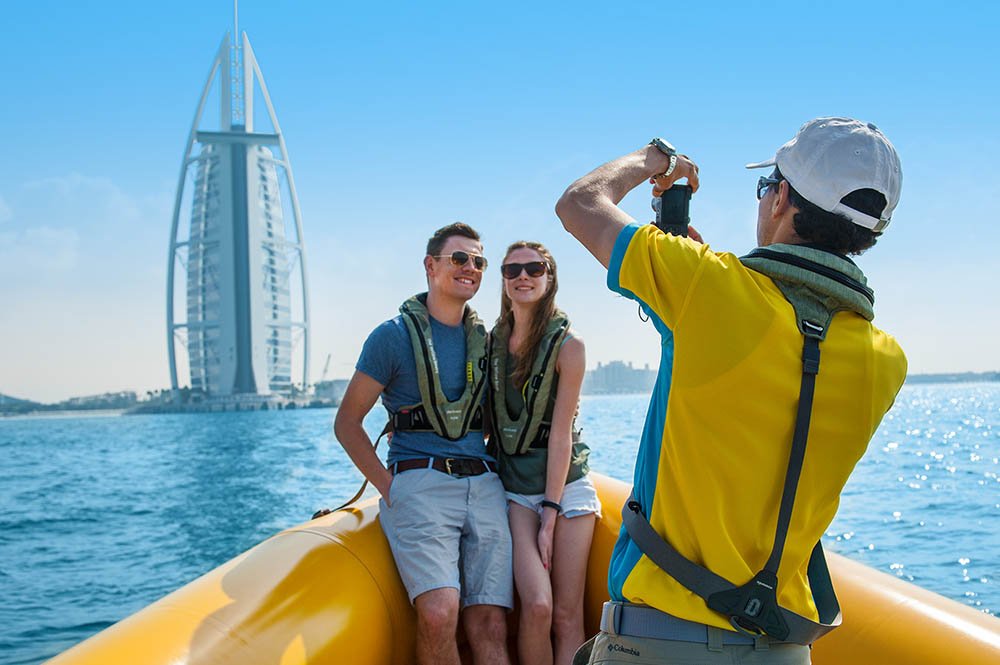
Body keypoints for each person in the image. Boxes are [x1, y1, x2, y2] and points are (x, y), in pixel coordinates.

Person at [555, 118, 907, 664]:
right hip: (783, 648)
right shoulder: (887, 360)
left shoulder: (708, 289)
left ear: (782, 198)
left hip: (659, 642)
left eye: (766, 186)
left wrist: (655, 160)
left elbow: (580, 203)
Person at [334, 223, 513, 665]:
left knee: (490, 621)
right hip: (419, 483)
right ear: (430, 266)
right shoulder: (391, 337)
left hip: (484, 485)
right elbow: (347, 423)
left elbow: (493, 420)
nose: (470, 268)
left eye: (478, 261)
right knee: (438, 612)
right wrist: (389, 487)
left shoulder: (487, 343)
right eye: (459, 259)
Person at [488, 241, 600, 665]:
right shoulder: (490, 344)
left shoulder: (570, 346)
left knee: (567, 614)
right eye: (512, 269)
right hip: (517, 489)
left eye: (534, 269)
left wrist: (550, 514)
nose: (523, 277)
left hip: (566, 487)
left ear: (549, 278)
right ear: (502, 279)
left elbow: (559, 435)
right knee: (537, 606)